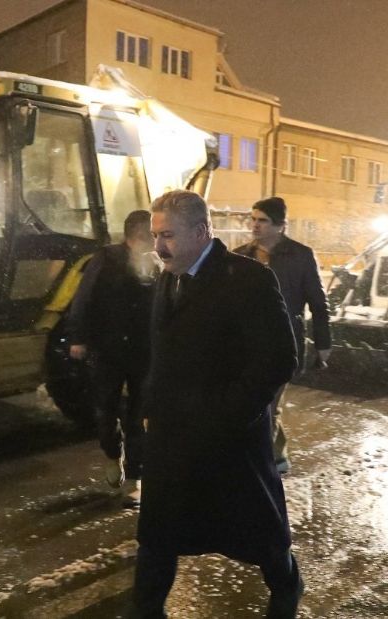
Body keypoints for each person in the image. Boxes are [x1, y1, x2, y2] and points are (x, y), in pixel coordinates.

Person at [132, 190, 303, 619]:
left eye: (167, 235)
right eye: (156, 235)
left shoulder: (246, 279)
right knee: (158, 533)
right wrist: (148, 408)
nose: (159, 246)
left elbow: (279, 358)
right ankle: (146, 608)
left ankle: (286, 585)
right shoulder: (167, 279)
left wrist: (228, 416)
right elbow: (162, 352)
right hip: (172, 439)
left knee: (257, 530)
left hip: (228, 442)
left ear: (201, 231)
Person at [234, 197, 331, 474]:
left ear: (280, 226)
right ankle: (277, 454)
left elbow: (318, 302)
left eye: (262, 220)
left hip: (283, 342)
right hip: (247, 345)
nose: (254, 225)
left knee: (269, 403)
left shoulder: (300, 255)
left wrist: (324, 342)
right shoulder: (240, 255)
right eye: (252, 219)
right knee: (258, 404)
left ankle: (266, 463)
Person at [68, 210, 158, 508]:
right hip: (108, 349)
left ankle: (135, 478)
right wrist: (78, 337)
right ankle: (111, 452)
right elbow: (84, 298)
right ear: (136, 233)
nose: (156, 237)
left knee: (138, 415)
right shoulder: (106, 259)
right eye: (151, 232)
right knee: (105, 411)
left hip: (144, 351)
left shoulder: (158, 264)